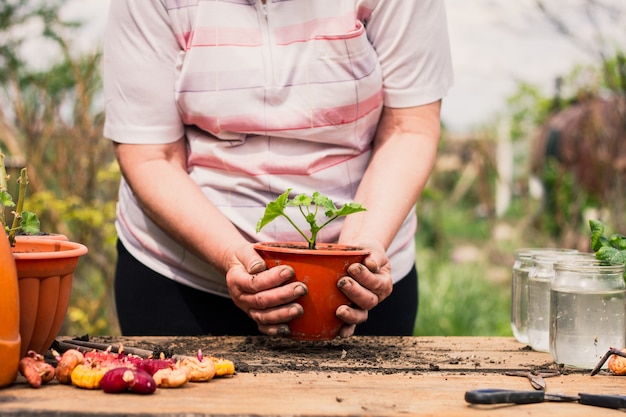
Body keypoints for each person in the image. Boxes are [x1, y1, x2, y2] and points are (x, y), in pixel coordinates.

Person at [103, 0, 453, 337]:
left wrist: (360, 253)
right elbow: (152, 156)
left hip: (360, 287)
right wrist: (230, 256)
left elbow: (408, 129)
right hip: (184, 280)